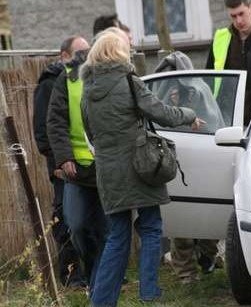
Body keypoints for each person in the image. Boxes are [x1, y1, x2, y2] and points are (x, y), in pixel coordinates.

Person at [79, 29, 205, 307]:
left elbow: (90, 131)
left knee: (117, 237)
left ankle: (101, 301)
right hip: (140, 167)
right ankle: (149, 293)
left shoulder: (87, 91)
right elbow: (160, 112)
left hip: (108, 173)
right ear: (118, 53)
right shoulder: (128, 80)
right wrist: (190, 115)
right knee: (150, 227)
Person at [153, 51, 222, 284]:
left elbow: (212, 124)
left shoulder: (201, 93)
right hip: (172, 162)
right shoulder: (158, 94)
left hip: (202, 162)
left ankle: (208, 257)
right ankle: (186, 274)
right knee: (180, 220)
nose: (175, 92)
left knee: (208, 215)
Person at [46, 36, 106, 286]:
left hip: (105, 168)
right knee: (76, 226)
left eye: (87, 51)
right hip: (77, 171)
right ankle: (93, 270)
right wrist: (64, 157)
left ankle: (103, 281)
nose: (84, 55)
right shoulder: (66, 79)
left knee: (107, 231)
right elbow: (55, 121)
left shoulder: (106, 76)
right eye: (79, 52)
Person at [33, 36, 87, 287]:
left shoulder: (82, 77)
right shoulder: (50, 82)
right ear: (64, 55)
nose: (83, 57)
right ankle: (71, 275)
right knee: (65, 218)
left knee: (88, 218)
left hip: (84, 160)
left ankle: (91, 270)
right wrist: (56, 161)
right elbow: (44, 127)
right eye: (79, 52)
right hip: (62, 162)